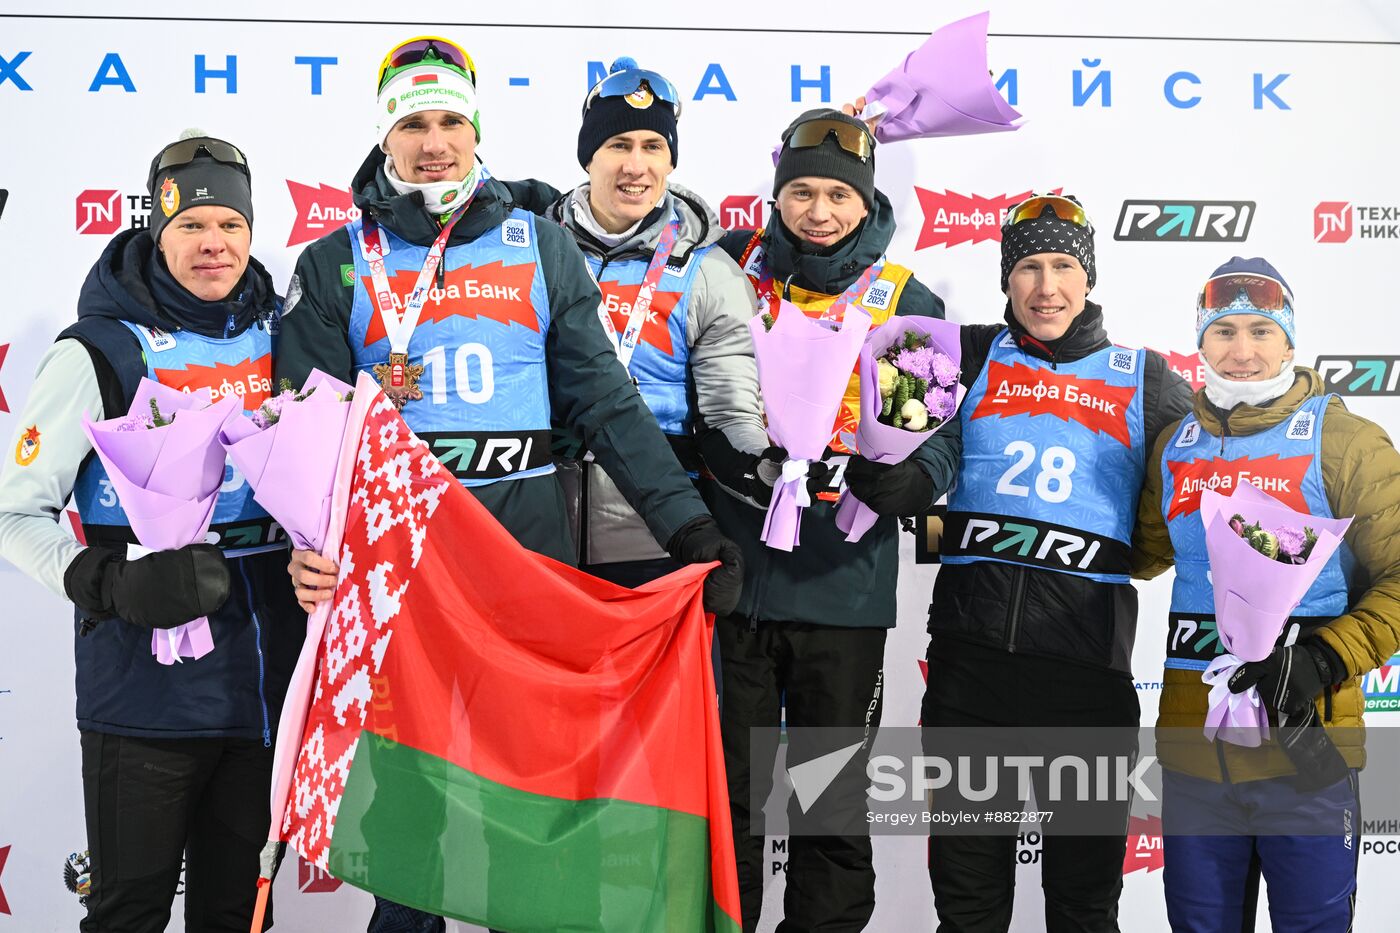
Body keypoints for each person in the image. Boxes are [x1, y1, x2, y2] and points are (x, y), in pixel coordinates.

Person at [275, 37, 744, 933]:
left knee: (521, 817)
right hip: (398, 582)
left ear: (477, 127)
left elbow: (607, 402)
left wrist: (690, 530)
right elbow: (302, 437)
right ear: (386, 137)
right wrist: (308, 546)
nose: (435, 141)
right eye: (414, 123)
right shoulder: (335, 261)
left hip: (520, 569)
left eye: (451, 120)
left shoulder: (540, 246)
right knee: (406, 825)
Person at [0, 132, 301, 932]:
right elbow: (13, 512)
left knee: (241, 914)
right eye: (192, 225)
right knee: (130, 909)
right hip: (142, 691)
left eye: (230, 226)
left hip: (263, 686)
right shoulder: (100, 347)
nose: (213, 243)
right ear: (154, 231)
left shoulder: (284, 336)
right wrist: (109, 582)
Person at [698, 107, 952, 933]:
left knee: (828, 807)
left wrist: (916, 480)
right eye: (800, 191)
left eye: (837, 195)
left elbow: (947, 439)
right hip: (732, 582)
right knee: (725, 806)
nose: (818, 211)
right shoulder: (728, 266)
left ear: (865, 200)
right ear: (776, 198)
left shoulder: (908, 295)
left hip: (842, 593)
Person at [918, 195, 1194, 932]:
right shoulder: (968, 354)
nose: (1047, 286)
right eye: (1029, 267)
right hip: (970, 675)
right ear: (1007, 279)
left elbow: (1214, 481)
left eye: (1064, 265)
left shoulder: (1147, 377)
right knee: (969, 905)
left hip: (1086, 680)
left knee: (1083, 904)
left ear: (1089, 275)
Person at [1132, 257, 1400, 932]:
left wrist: (1321, 659)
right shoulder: (1175, 445)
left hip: (1306, 747)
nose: (1242, 351)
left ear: (1289, 340)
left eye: (1260, 330)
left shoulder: (1345, 441)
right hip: (1195, 758)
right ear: (1200, 341)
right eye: (1223, 331)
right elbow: (1134, 554)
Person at [537, 56, 767, 585]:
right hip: (533, 522)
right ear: (588, 157)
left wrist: (769, 470)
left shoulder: (712, 274)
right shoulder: (532, 251)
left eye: (652, 147)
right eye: (618, 145)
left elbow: (730, 414)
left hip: (654, 529)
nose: (635, 167)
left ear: (670, 162)